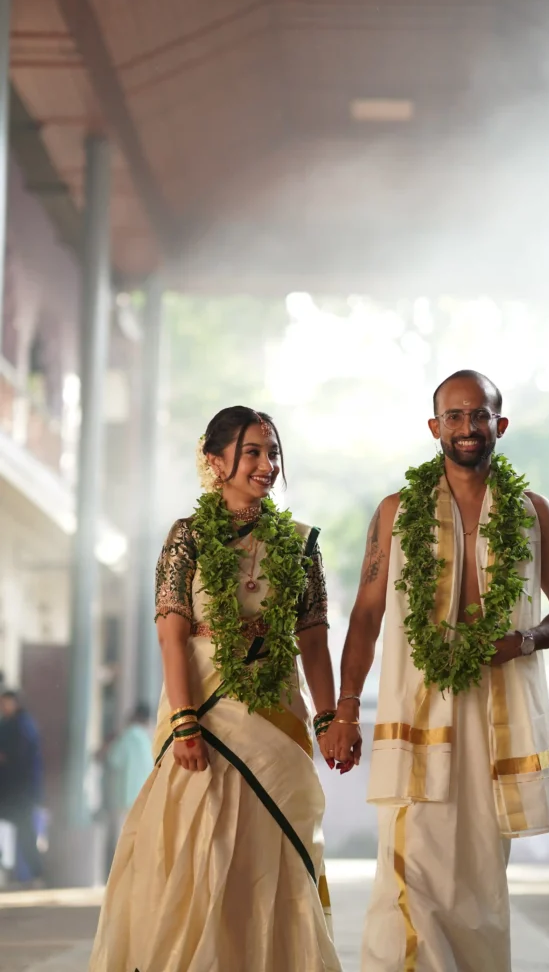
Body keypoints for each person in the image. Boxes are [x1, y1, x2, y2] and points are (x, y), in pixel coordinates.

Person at [324, 370, 549, 972]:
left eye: (481, 415)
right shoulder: (397, 512)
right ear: (435, 427)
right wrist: (345, 709)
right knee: (409, 873)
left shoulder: (532, 513)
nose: (469, 428)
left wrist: (523, 640)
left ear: (501, 424)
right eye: (457, 416)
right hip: (417, 716)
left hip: (498, 720)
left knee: (479, 883)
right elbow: (365, 616)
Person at [90, 406, 342, 972]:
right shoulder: (187, 538)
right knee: (193, 847)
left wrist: (329, 719)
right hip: (201, 710)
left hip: (276, 715)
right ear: (215, 461)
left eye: (272, 452)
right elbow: (172, 637)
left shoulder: (301, 543)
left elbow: (315, 642)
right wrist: (185, 721)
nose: (266, 464)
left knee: (271, 850)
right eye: (252, 451)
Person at [99, 702, 153, 865]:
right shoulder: (148, 738)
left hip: (125, 797)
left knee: (121, 841)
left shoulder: (128, 736)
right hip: (143, 797)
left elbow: (114, 760)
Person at [0, 690, 44, 885]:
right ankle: (33, 874)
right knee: (25, 831)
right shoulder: (17, 724)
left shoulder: (21, 726)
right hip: (16, 790)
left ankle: (35, 874)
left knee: (26, 832)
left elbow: (19, 757)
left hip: (19, 790)